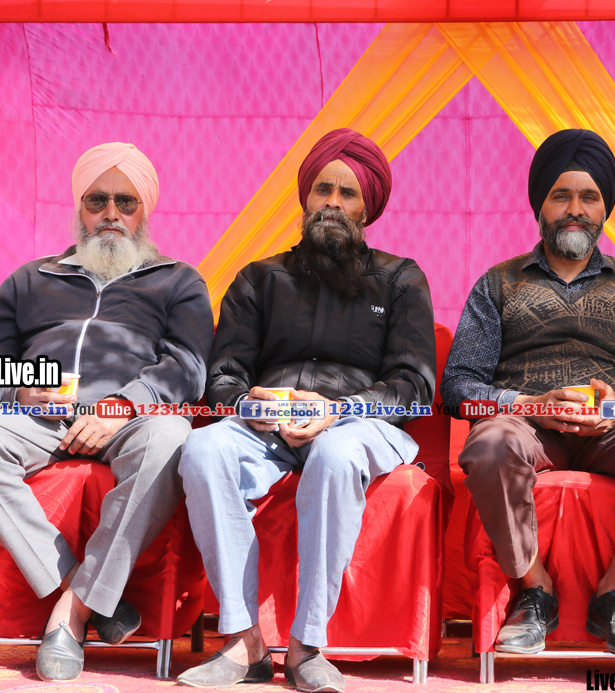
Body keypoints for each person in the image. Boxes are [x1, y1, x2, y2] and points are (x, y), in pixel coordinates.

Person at [0, 142, 214, 681]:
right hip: (38, 419)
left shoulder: (178, 280)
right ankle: (80, 588)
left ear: (144, 210)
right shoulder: (30, 278)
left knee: (172, 440)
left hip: (129, 420)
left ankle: (73, 612)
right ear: (79, 207)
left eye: (125, 202)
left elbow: (188, 366)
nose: (111, 213)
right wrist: (19, 390)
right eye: (97, 200)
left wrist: (122, 404)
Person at [177, 129, 436, 692]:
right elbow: (222, 378)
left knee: (336, 454)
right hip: (266, 427)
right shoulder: (259, 278)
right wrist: (250, 404)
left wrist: (338, 411)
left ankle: (306, 646)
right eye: (323, 190)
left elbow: (415, 386)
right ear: (305, 197)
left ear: (367, 208)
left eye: (348, 193)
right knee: (201, 447)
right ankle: (243, 641)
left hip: (358, 425)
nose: (333, 203)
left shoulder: (400, 279)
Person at [441, 129, 615, 657]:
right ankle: (535, 589)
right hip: (530, 430)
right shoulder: (498, 283)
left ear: (605, 208)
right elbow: (458, 387)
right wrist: (529, 406)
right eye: (561, 196)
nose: (575, 210)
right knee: (488, 445)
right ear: (541, 204)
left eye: (589, 197)